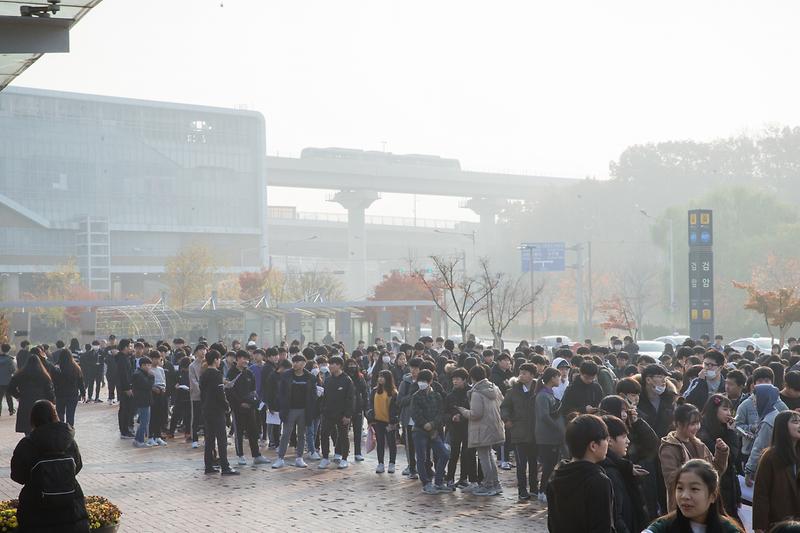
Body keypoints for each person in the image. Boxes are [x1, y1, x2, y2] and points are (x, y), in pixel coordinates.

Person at [10, 399, 89, 532]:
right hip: (70, 505)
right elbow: (78, 466)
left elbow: (18, 475)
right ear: (55, 415)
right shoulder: (68, 441)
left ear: (33, 419)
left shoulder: (27, 444)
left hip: (36, 507)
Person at [546, 414, 614, 533]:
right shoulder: (598, 481)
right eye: (606, 440)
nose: (608, 444)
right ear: (593, 446)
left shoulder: (557, 474)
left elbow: (552, 523)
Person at [660, 399, 729, 511]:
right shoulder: (669, 448)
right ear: (678, 424)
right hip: (683, 506)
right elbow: (672, 481)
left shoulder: (699, 444)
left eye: (698, 423)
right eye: (692, 424)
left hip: (705, 505)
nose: (696, 427)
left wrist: (721, 452)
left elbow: (716, 471)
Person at [644, 459, 744, 533]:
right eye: (680, 488)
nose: (684, 496)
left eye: (694, 489)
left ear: (713, 496)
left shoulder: (728, 530)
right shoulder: (664, 526)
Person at [457, 365, 504, 497]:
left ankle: (489, 484)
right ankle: (495, 483)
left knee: (484, 457)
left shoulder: (477, 392)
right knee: (490, 456)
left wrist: (463, 411)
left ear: (472, 377)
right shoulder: (494, 388)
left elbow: (476, 414)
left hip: (481, 429)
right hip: (494, 426)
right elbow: (502, 404)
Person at [601, 414, 650, 533]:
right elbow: (617, 517)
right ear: (610, 441)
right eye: (623, 437)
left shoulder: (621, 466)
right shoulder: (610, 472)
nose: (628, 441)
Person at [753, 410, 800, 532]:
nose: (799, 425)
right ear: (783, 426)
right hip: (778, 524)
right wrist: (759, 526)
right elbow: (761, 494)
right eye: (795, 422)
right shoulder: (770, 456)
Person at [698, 394, 742, 524]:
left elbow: (734, 464)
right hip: (715, 486)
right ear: (714, 410)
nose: (729, 413)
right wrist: (731, 433)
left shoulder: (724, 428)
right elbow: (730, 458)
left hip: (728, 486)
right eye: (725, 409)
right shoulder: (704, 433)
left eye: (730, 410)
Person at [500, 362, 538, 500]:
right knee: (521, 464)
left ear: (532, 375)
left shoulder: (539, 389)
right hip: (519, 432)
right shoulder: (513, 391)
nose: (521, 375)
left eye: (525, 373)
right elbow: (504, 407)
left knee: (534, 462)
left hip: (535, 432)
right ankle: (522, 490)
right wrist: (507, 419)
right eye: (520, 373)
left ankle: (534, 488)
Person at [227, 351, 269, 466]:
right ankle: (240, 455)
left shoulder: (249, 373)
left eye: (247, 359)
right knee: (239, 432)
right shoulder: (231, 373)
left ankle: (256, 455)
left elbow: (253, 391)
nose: (245, 361)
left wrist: (252, 403)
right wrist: (240, 403)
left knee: (253, 431)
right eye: (243, 358)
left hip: (250, 408)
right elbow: (230, 391)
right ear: (237, 359)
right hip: (237, 408)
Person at [413, 369, 451, 495]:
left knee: (444, 454)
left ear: (430, 381)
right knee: (422, 458)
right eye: (420, 381)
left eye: (424, 381)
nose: (421, 383)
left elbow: (440, 413)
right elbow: (416, 415)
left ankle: (439, 481)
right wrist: (425, 424)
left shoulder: (437, 396)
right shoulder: (416, 396)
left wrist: (433, 425)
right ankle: (426, 483)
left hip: (434, 431)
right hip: (419, 431)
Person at [200, 349, 238, 475]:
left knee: (209, 439)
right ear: (216, 360)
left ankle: (208, 465)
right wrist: (226, 406)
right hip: (217, 410)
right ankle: (225, 466)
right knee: (221, 439)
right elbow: (220, 394)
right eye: (218, 359)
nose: (219, 361)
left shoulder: (204, 374)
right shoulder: (216, 374)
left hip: (206, 409)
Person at [274, 354, 315, 469]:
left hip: (304, 410)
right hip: (290, 409)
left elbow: (312, 395)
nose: (295, 364)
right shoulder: (286, 376)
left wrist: (311, 410)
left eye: (298, 362)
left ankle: (299, 458)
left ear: (303, 364)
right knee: (286, 434)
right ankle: (280, 458)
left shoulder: (310, 377)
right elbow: (281, 393)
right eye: (294, 361)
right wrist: (281, 407)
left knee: (301, 434)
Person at [444, 366, 479, 490]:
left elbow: (474, 410)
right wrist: (452, 417)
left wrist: (463, 417)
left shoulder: (471, 393)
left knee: (468, 453)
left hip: (469, 427)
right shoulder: (450, 395)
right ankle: (450, 478)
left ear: (465, 379)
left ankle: (465, 478)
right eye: (454, 379)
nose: (455, 381)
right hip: (454, 428)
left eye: (458, 379)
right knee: (453, 453)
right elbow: (445, 412)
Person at [534, 367, 565, 503]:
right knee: (548, 464)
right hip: (546, 436)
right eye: (558, 376)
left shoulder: (550, 393)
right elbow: (544, 416)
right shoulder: (542, 395)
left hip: (553, 436)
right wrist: (557, 427)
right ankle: (542, 491)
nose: (560, 379)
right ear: (552, 378)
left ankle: (545, 489)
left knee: (552, 464)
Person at [746, 383, 787, 485]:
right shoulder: (774, 414)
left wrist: (749, 469)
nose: (753, 401)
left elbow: (759, 447)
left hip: (767, 467)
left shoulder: (768, 421)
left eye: (756, 398)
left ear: (764, 399)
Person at [9, 354, 55, 435]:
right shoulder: (43, 375)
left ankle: (29, 442)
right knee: (40, 424)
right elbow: (49, 390)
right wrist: (52, 401)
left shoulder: (20, 374)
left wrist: (18, 395)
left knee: (27, 425)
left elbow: (10, 387)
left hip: (25, 401)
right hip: (40, 402)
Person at [367, 369, 399, 473]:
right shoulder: (375, 391)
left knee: (391, 443)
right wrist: (370, 418)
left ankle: (392, 463)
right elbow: (370, 405)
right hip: (378, 421)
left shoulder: (393, 393)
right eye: (379, 376)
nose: (380, 378)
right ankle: (380, 463)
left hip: (389, 422)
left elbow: (396, 408)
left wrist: (393, 421)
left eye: (383, 376)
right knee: (380, 442)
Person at [52, 349, 85, 427]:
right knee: (70, 415)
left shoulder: (57, 367)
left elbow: (53, 382)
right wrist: (83, 393)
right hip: (73, 395)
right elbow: (80, 382)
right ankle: (69, 431)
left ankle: (61, 430)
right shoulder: (76, 368)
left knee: (60, 414)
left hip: (60, 395)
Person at [344, 358, 368, 462]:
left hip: (358, 407)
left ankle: (358, 453)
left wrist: (366, 407)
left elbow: (365, 392)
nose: (352, 366)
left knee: (358, 432)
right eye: (349, 364)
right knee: (343, 432)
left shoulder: (360, 377)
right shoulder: (344, 377)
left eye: (354, 364)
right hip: (345, 408)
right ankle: (341, 451)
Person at [131, 356, 154, 448]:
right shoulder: (139, 374)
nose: (148, 367)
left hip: (145, 400)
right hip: (142, 400)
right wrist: (152, 376)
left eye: (149, 365)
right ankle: (140, 440)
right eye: (146, 365)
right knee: (144, 422)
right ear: (142, 365)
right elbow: (148, 385)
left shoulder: (142, 374)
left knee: (145, 421)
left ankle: (137, 439)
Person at [188, 344, 206, 448]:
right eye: (200, 350)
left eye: (204, 349)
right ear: (196, 352)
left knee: (206, 417)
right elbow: (193, 380)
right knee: (196, 417)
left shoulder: (208, 364)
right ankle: (194, 439)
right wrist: (201, 390)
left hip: (207, 396)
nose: (203, 352)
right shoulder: (192, 365)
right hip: (196, 395)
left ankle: (207, 438)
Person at [0, 343, 17, 415]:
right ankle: (11, 410)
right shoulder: (10, 359)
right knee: (9, 396)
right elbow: (13, 370)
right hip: (7, 381)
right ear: (9, 350)